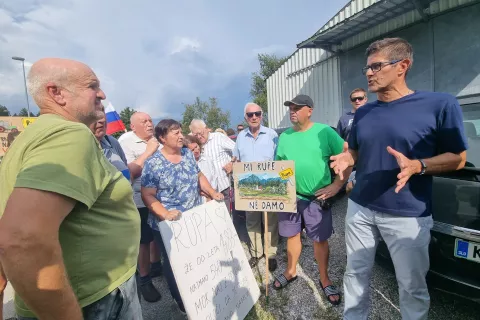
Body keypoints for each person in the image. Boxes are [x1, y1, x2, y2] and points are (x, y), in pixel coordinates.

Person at [330, 38, 468, 320]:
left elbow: (458, 157)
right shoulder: (364, 111)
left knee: (411, 286)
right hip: (360, 209)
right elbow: (355, 150)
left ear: (402, 65)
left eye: (376, 66)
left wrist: (419, 165)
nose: (369, 73)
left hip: (407, 214)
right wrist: (347, 159)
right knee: (355, 274)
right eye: (367, 68)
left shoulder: (439, 104)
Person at [0, 58, 142, 320]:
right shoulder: (70, 134)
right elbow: (22, 240)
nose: (102, 94)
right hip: (94, 300)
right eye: (92, 86)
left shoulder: (29, 139)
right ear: (56, 93)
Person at [273, 94, 349, 307]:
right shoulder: (285, 136)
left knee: (319, 239)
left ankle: (324, 278)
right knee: (291, 235)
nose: (292, 111)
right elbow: (278, 167)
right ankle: (290, 271)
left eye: (297, 107)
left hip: (317, 198)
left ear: (310, 110)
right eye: (290, 108)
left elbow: (347, 156)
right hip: (290, 198)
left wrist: (337, 185)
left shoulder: (324, 132)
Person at [141, 119, 224, 313]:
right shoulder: (153, 163)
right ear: (162, 138)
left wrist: (212, 192)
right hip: (168, 226)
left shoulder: (187, 154)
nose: (181, 136)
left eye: (180, 132)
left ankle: (201, 294)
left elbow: (199, 176)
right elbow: (147, 194)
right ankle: (183, 304)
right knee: (175, 267)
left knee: (195, 258)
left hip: (192, 220)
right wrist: (165, 214)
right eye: (175, 133)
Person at [118, 112, 162, 302]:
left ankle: (156, 265)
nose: (149, 124)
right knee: (143, 240)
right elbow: (129, 173)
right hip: (138, 200)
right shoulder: (125, 141)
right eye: (144, 121)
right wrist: (149, 151)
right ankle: (144, 279)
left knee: (156, 234)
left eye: (150, 120)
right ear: (133, 126)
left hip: (159, 198)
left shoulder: (157, 139)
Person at [233, 103, 279, 271]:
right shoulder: (240, 137)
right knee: (252, 220)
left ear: (261, 115)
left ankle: (270, 253)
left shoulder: (272, 134)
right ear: (245, 117)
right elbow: (236, 160)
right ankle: (256, 252)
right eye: (250, 114)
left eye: (257, 114)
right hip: (248, 185)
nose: (254, 117)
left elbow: (279, 159)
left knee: (270, 220)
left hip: (268, 184)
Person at [189, 119, 236, 210]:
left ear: (206, 129)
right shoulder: (195, 145)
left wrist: (232, 163)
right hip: (206, 194)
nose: (199, 136)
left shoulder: (218, 137)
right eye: (196, 135)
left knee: (230, 219)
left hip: (225, 187)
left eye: (201, 133)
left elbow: (237, 150)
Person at [336, 88, 368, 194]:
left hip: (366, 160)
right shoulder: (344, 119)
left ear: (365, 99)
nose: (357, 101)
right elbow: (338, 140)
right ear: (350, 101)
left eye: (360, 98)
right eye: (354, 99)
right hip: (349, 161)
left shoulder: (371, 115)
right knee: (349, 191)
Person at [89, 106, 130, 180]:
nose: (102, 119)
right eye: (94, 113)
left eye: (102, 112)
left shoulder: (111, 141)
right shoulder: (77, 147)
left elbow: (127, 173)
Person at [184, 134, 218, 202]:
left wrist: (212, 192)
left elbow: (214, 177)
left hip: (213, 197)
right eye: (192, 150)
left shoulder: (207, 159)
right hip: (198, 200)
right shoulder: (186, 165)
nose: (196, 150)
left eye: (196, 147)